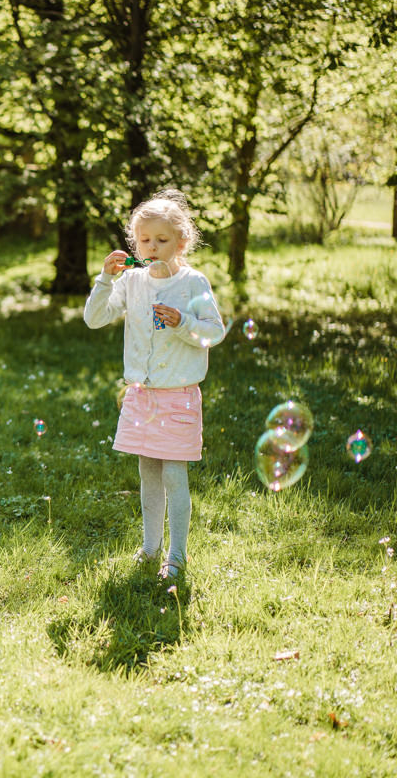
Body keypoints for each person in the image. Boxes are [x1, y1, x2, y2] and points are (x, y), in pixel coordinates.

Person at [83, 190, 225, 580]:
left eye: (162, 240)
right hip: (141, 395)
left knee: (175, 476)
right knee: (147, 472)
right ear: (135, 242)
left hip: (178, 395)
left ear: (182, 242)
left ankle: (175, 556)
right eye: (145, 240)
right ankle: (150, 548)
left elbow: (214, 333)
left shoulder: (193, 283)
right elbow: (94, 319)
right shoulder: (131, 281)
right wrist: (104, 279)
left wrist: (183, 324)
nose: (152, 247)